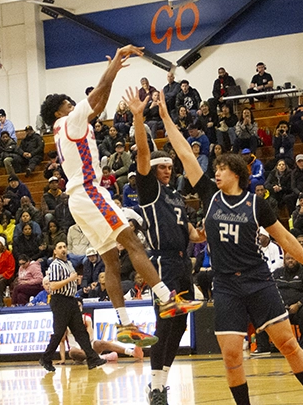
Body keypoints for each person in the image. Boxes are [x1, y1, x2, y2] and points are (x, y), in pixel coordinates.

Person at [156, 88, 303, 405]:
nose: (215, 172)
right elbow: (184, 153)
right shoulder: (210, 195)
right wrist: (167, 118)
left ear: (235, 172)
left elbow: (287, 239)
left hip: (258, 279)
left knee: (288, 344)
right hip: (225, 285)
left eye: (221, 168)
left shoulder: (256, 203)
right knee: (232, 356)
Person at [39, 44, 201, 348]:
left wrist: (113, 74)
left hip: (80, 198)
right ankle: (167, 299)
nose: (75, 103)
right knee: (132, 242)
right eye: (69, 102)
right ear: (61, 109)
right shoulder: (71, 120)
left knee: (111, 261)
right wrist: (116, 59)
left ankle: (125, 325)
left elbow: (99, 102)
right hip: (89, 191)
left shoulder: (67, 127)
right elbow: (98, 90)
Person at [124, 86, 203, 405]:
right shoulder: (151, 191)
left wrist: (206, 232)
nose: (168, 170)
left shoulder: (176, 196)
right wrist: (139, 116)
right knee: (165, 322)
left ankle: (162, 382)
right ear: (153, 171)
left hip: (184, 264)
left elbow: (192, 233)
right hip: (163, 264)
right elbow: (143, 154)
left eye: (170, 166)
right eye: (162, 167)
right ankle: (155, 387)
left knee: (180, 326)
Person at [39, 241, 107, 372]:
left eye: (64, 247)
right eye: (59, 247)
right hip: (59, 300)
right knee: (59, 333)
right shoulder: (55, 265)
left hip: (71, 300)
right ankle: (46, 358)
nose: (63, 249)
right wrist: (70, 280)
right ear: (55, 252)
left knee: (80, 331)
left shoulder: (69, 264)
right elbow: (53, 286)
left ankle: (92, 358)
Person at [273, 253, 303, 354]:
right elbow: (270, 289)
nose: (290, 261)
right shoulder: (277, 273)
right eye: (287, 259)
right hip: (281, 309)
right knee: (263, 308)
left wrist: (298, 304)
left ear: (297, 259)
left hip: (299, 309)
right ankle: (263, 347)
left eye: (292, 258)